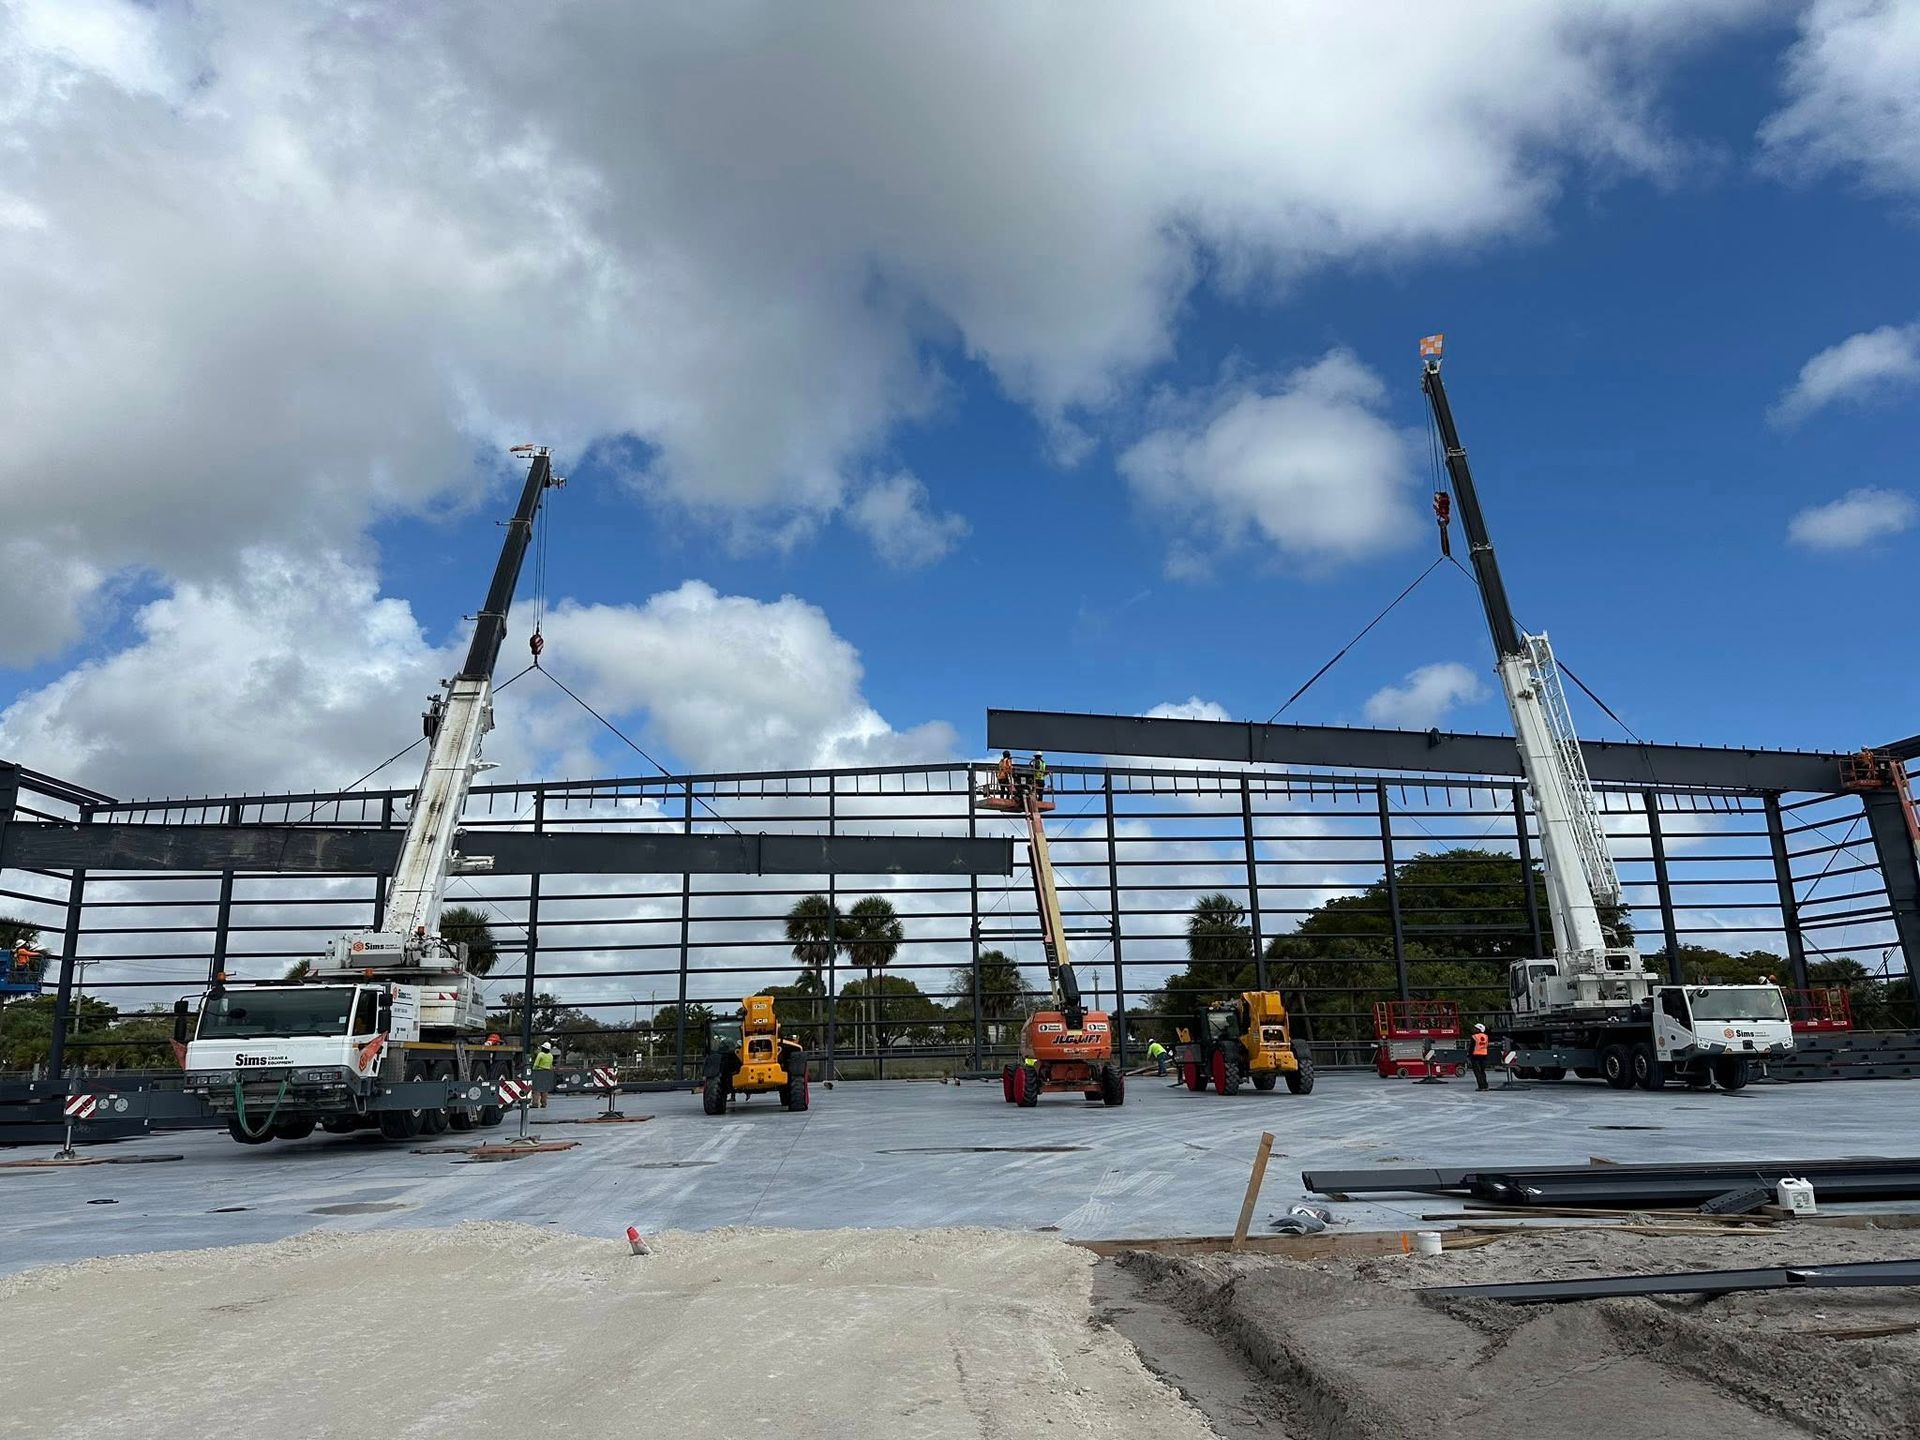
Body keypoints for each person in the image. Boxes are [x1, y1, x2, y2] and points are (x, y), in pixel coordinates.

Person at [532, 1039, 556, 1109]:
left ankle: (535, 1103)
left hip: (539, 1072)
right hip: (547, 1073)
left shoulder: (540, 1054)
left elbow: (536, 1064)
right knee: (545, 1089)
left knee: (536, 1088)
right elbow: (551, 1065)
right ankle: (544, 1103)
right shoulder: (551, 1056)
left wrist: (533, 1070)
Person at [1468, 1023, 1490, 1092]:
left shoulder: (1474, 1036)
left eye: (1475, 1028)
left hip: (1476, 1056)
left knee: (1477, 1072)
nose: (1474, 1029)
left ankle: (1481, 1086)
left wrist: (1469, 1055)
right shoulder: (1486, 1036)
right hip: (1484, 1055)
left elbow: (1471, 1047)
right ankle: (1485, 1086)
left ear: (1479, 1029)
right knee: (1482, 1072)